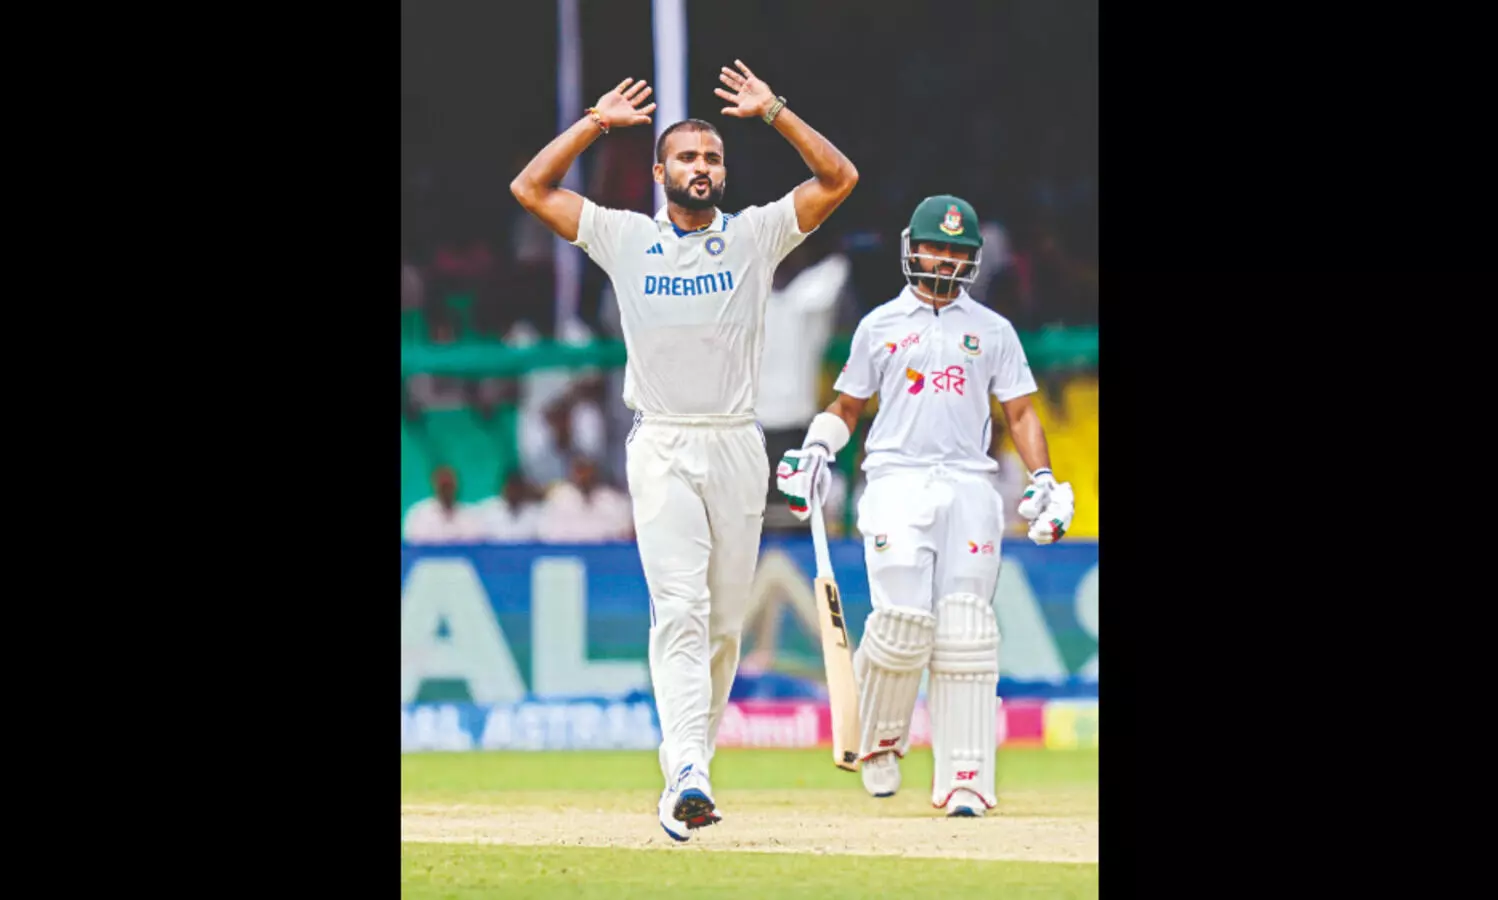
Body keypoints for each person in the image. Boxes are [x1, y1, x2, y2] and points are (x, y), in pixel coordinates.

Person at [510, 60, 858, 841]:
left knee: (726, 622)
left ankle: (691, 761)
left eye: (713, 158)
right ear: (661, 171)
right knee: (681, 610)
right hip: (662, 443)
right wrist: (596, 124)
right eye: (688, 158)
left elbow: (838, 178)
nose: (702, 168)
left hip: (737, 444)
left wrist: (775, 112)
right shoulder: (624, 235)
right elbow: (530, 189)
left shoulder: (756, 234)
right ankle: (688, 774)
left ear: (723, 174)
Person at [775, 194, 1075, 818]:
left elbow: (1019, 410)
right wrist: (815, 451)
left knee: (966, 627)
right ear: (912, 249)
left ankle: (966, 777)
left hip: (969, 481)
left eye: (957, 252)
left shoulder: (991, 330)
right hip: (896, 478)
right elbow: (848, 408)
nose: (943, 260)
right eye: (935, 247)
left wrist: (1044, 477)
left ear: (972, 261)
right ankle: (881, 740)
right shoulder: (879, 326)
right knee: (903, 622)